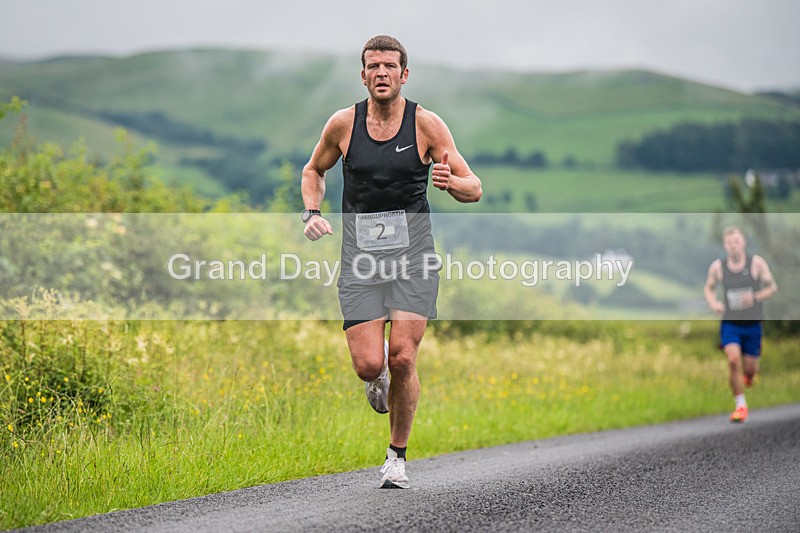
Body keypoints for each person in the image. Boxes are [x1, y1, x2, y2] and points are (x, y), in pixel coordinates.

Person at [300, 35, 482, 488]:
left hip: (413, 260)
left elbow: (473, 187)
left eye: (389, 66)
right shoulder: (343, 125)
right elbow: (313, 170)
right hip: (360, 263)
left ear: (405, 74)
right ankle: (375, 377)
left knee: (402, 357)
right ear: (363, 75)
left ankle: (396, 456)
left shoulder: (426, 125)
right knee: (369, 365)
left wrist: (450, 184)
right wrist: (312, 212)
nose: (381, 73)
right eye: (372, 66)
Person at [703, 226, 777, 423]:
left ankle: (749, 375)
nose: (733, 246)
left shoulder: (756, 264)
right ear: (725, 246)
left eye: (736, 242)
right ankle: (740, 406)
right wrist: (713, 303)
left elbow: (772, 287)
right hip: (730, 323)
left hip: (752, 324)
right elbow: (709, 288)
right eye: (729, 243)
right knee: (733, 360)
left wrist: (755, 296)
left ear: (743, 242)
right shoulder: (718, 267)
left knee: (750, 369)